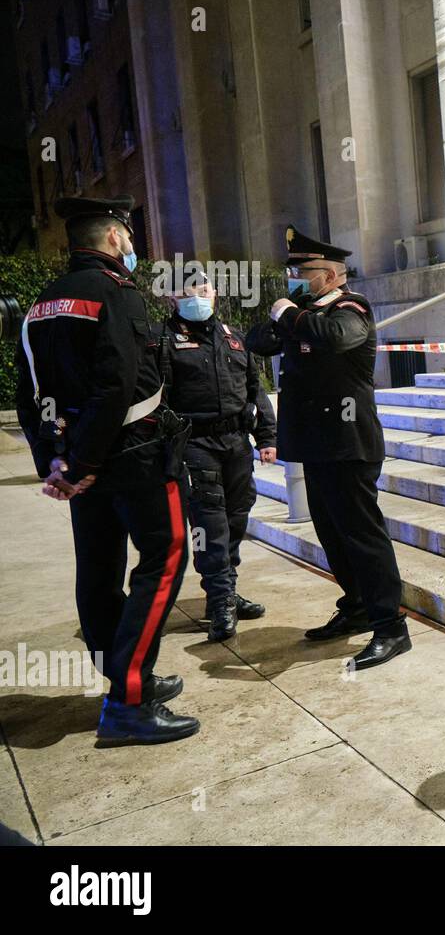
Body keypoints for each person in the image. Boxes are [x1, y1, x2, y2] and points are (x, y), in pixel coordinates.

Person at [14, 195, 198, 745]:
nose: (133, 244)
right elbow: (117, 384)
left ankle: (122, 675)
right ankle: (129, 701)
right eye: (129, 234)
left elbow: (31, 396)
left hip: (81, 464)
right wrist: (88, 461)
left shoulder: (41, 303)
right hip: (134, 457)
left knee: (97, 569)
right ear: (115, 238)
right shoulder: (116, 294)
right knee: (164, 560)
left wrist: (58, 464)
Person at [245, 226, 409, 671]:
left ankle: (391, 626)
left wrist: (292, 315)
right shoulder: (300, 312)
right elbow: (256, 341)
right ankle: (356, 606)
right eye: (292, 270)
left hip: (349, 444)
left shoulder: (351, 307)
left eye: (304, 270)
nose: (295, 277)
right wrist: (286, 312)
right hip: (316, 446)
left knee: (363, 536)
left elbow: (337, 337)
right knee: (332, 533)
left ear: (331, 275)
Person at [161, 272, 277, 642]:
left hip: (236, 442)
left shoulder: (233, 337)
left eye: (204, 289)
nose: (198, 296)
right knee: (209, 524)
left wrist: (266, 436)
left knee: (236, 516)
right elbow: (157, 400)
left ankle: (228, 588)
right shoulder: (163, 341)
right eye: (188, 291)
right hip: (195, 445)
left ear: (214, 294)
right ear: (172, 299)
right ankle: (220, 601)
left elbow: (255, 390)